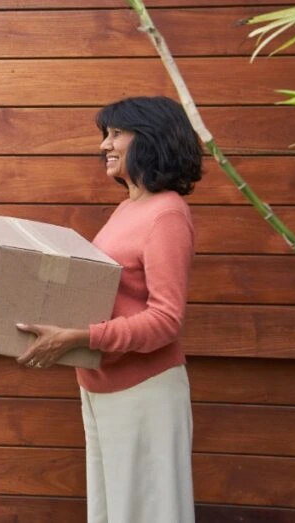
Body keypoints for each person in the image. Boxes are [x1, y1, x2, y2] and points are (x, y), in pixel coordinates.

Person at [16, 95, 202, 523]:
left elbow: (166, 319)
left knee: (147, 512)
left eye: (117, 133)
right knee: (112, 512)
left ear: (150, 139)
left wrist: (84, 337)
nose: (105, 144)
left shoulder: (167, 214)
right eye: (106, 134)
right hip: (99, 385)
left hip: (144, 391)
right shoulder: (128, 208)